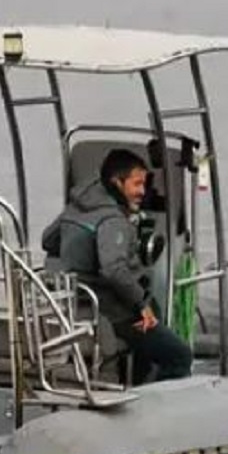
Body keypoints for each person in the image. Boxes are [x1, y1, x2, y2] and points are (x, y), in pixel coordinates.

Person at [42, 149, 193, 383]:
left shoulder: (79, 205)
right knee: (179, 355)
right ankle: (156, 405)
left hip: (76, 304)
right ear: (117, 182)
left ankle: (133, 382)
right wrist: (141, 303)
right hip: (113, 311)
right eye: (137, 184)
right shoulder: (112, 219)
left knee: (148, 340)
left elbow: (48, 240)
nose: (142, 191)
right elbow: (113, 269)